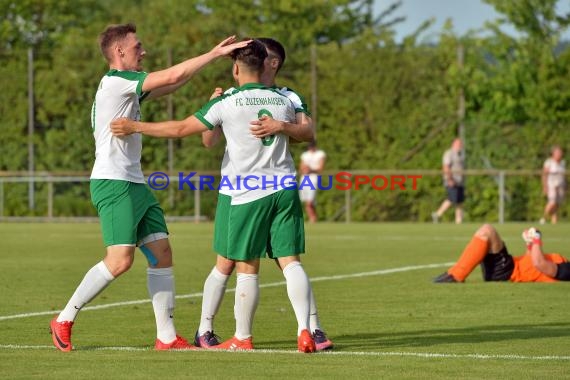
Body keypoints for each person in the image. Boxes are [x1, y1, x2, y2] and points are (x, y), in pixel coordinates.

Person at [49, 23, 250, 352]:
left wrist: (211, 59)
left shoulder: (126, 86)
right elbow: (170, 78)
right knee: (119, 261)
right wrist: (214, 54)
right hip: (113, 182)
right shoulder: (116, 82)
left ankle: (167, 337)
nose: (143, 51)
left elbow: (174, 82)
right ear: (120, 52)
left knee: (161, 254)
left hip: (133, 182)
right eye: (137, 47)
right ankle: (64, 319)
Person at [111, 40, 319, 353]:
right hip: (285, 188)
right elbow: (306, 132)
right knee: (290, 261)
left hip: (245, 193)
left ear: (236, 69)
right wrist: (281, 126)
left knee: (243, 265)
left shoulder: (229, 101)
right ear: (264, 66)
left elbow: (182, 129)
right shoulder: (284, 101)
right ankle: (306, 330)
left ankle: (241, 338)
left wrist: (134, 126)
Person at [195, 38, 333, 351]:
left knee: (283, 261)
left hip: (268, 189)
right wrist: (210, 104)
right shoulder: (231, 96)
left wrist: (281, 126)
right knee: (229, 263)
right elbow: (208, 140)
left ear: (272, 63)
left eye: (263, 56)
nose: (256, 61)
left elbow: (307, 132)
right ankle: (206, 329)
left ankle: (312, 329)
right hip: (238, 190)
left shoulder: (287, 97)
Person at [433, 224, 570, 283]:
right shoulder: (564, 261)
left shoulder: (567, 270)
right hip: (509, 268)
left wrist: (537, 239)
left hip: (507, 272)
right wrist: (530, 242)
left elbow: (539, 264)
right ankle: (455, 274)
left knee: (487, 231)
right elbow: (531, 261)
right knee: (486, 233)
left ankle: (456, 275)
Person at [432, 138, 465, 224]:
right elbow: (446, 167)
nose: (460, 146)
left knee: (460, 201)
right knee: (451, 199)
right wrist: (449, 179)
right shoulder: (449, 153)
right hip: (452, 180)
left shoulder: (460, 154)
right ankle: (437, 214)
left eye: (460, 144)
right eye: (458, 144)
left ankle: (459, 220)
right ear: (453, 144)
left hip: (459, 181)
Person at [299, 141, 326, 223]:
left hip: (313, 179)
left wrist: (310, 169)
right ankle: (314, 217)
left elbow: (320, 168)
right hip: (304, 179)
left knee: (310, 202)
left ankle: (313, 218)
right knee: (305, 201)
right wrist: (305, 169)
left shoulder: (320, 154)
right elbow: (301, 168)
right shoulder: (305, 155)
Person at [541, 145, 566, 224]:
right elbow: (544, 174)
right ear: (553, 153)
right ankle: (544, 218)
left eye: (560, 152)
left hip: (560, 185)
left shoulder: (562, 163)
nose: (560, 154)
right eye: (558, 152)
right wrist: (545, 186)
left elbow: (564, 176)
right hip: (551, 185)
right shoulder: (549, 162)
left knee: (557, 203)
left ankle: (554, 220)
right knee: (552, 202)